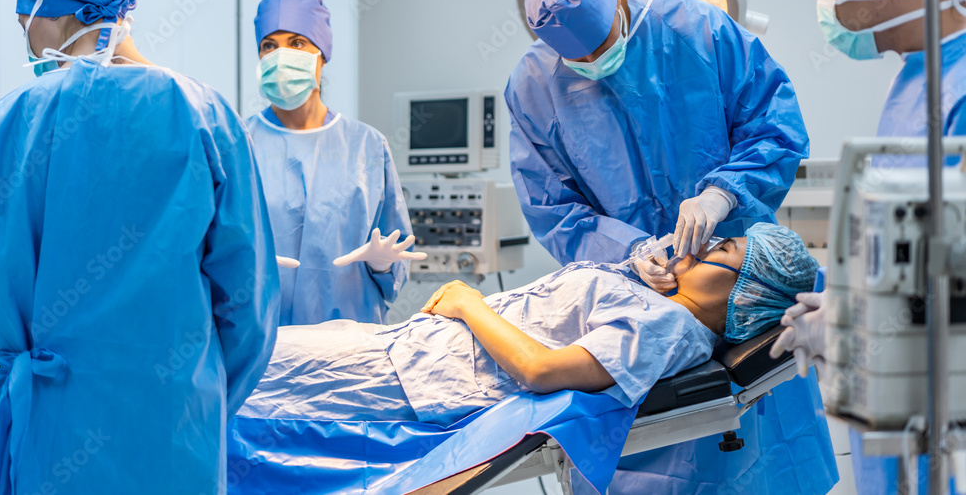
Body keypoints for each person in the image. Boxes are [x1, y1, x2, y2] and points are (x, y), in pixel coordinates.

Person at [504, 0, 836, 493]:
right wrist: (632, 251)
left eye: (601, 43)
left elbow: (776, 129)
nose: (593, 60)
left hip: (731, 317)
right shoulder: (534, 85)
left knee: (761, 463)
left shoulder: (699, 32)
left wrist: (723, 195)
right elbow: (555, 211)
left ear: (618, 0)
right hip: (625, 286)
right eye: (578, 57)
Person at [0, 0, 280, 494]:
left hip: (43, 433)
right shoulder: (204, 117)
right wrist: (190, 394)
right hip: (172, 437)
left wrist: (9, 378)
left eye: (25, 21)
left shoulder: (3, 126)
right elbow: (249, 304)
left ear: (59, 13)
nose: (27, 37)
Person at [771, 0, 966, 494]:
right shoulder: (918, 76)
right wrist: (848, 307)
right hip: (896, 390)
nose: (824, 0)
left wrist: (860, 323)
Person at [238, 223, 815, 430]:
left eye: (724, 250)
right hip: (407, 353)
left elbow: (541, 370)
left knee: (230, 379)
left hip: (413, 378)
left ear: (745, 297)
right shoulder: (662, 301)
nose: (703, 245)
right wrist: (632, 267)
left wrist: (469, 304)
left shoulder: (669, 331)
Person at [247, 0, 423, 326]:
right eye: (269, 46)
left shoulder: (367, 145)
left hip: (350, 343)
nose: (280, 55)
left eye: (297, 42)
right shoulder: (237, 143)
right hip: (262, 342)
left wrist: (384, 264)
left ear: (322, 56)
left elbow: (395, 244)